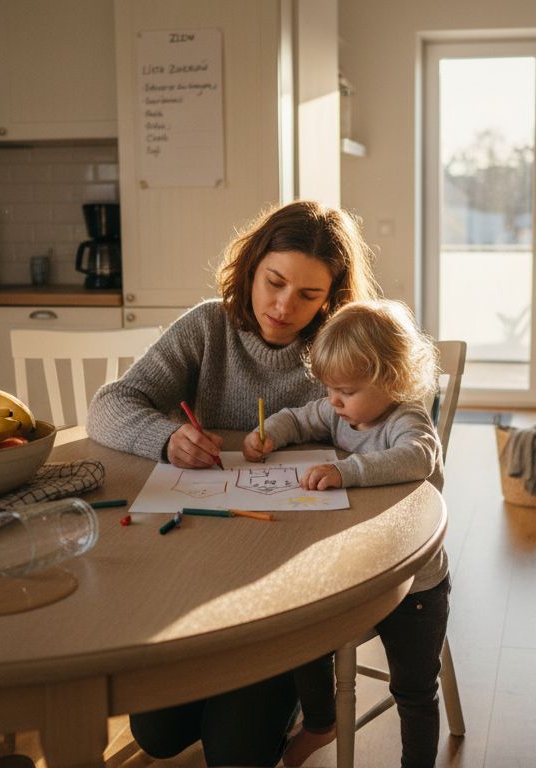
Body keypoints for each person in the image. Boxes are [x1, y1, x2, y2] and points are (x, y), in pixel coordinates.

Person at [86, 199, 379, 767]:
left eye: (308, 295)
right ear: (252, 267)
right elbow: (110, 404)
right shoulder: (207, 325)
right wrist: (165, 438)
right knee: (158, 735)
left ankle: (297, 694)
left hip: (294, 579)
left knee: (236, 752)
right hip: (200, 566)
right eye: (274, 282)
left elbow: (392, 433)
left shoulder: (343, 346)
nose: (283, 306)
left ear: (333, 298)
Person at [242, 299, 451, 768]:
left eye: (346, 391)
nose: (334, 401)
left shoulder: (406, 419)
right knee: (305, 630)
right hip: (353, 568)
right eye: (329, 389)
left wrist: (347, 471)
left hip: (413, 583)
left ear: (392, 381)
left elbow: (420, 457)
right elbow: (298, 417)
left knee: (414, 690)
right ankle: (320, 720)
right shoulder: (339, 409)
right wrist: (270, 434)